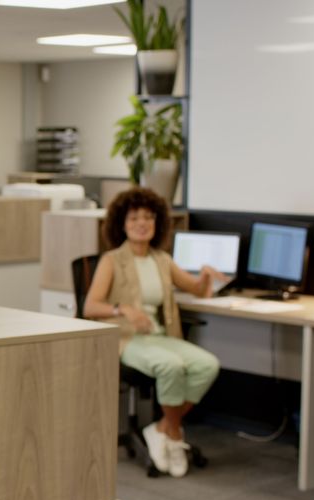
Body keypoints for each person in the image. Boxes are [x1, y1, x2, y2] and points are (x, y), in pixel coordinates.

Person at [83, 187, 224, 478]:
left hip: (161, 337)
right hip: (126, 339)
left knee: (207, 365)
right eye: (134, 218)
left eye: (148, 217)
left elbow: (196, 289)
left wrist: (206, 275)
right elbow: (90, 307)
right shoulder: (112, 260)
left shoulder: (162, 260)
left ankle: (164, 429)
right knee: (170, 366)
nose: (142, 224)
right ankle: (173, 436)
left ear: (157, 223)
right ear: (122, 223)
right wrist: (122, 309)